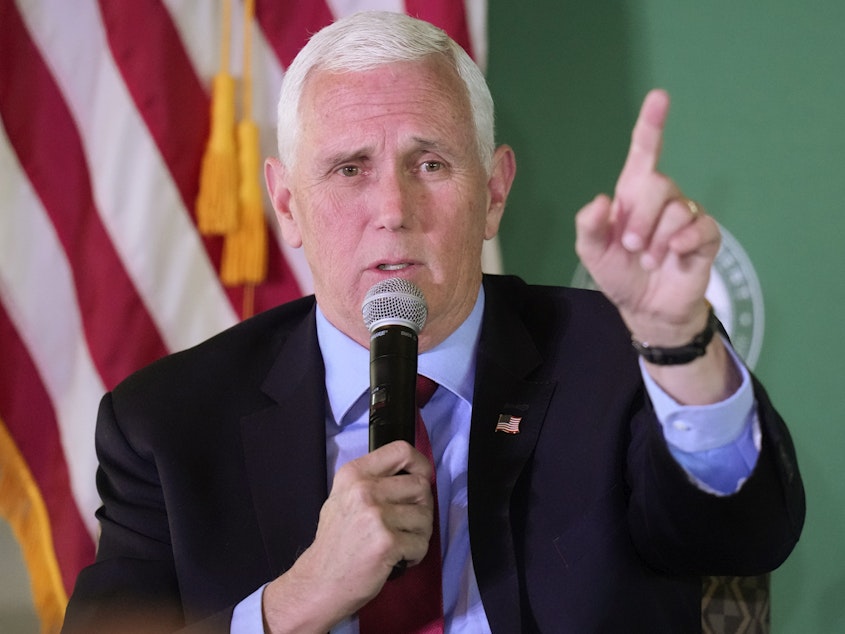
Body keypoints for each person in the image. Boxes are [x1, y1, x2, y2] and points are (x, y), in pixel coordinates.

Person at [62, 10, 804, 633]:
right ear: (287, 205)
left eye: (430, 164)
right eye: (350, 168)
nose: (393, 211)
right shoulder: (167, 423)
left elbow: (745, 536)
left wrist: (677, 342)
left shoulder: (619, 357)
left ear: (494, 191)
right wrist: (299, 599)